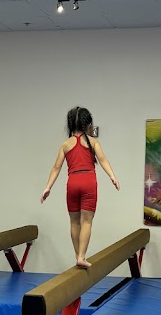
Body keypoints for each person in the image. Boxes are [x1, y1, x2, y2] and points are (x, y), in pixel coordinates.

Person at [41, 106, 119, 269]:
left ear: (70, 124)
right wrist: (112, 176)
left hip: (72, 183)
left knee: (74, 222)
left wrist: (48, 187)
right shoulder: (93, 142)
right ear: (88, 124)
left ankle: (77, 255)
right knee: (86, 222)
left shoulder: (65, 145)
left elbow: (56, 168)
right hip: (88, 181)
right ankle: (82, 257)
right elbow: (103, 160)